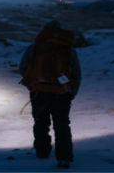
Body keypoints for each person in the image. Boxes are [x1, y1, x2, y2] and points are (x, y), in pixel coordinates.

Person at [19, 20, 81, 169]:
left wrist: (34, 86)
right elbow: (76, 74)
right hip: (62, 93)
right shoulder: (69, 50)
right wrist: (71, 92)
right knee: (62, 124)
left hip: (39, 92)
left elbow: (23, 69)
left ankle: (42, 151)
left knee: (41, 122)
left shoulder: (34, 48)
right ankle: (64, 158)